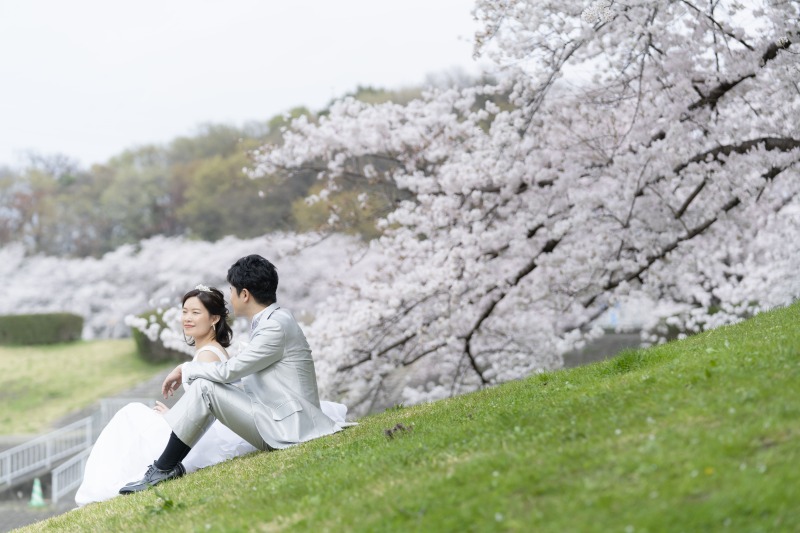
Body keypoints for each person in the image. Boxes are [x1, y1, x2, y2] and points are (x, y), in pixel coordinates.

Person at [76, 283, 350, 505]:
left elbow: (213, 397)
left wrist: (179, 394)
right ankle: (155, 469)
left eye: (195, 312)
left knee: (130, 415)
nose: (187, 318)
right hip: (222, 423)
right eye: (185, 311)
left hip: (224, 433)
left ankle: (160, 469)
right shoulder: (224, 344)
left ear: (215, 317)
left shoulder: (213, 353)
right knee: (133, 417)